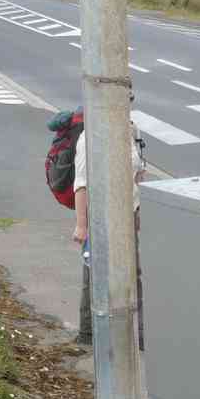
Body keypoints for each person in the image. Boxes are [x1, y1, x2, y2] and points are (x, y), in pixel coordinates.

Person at [72, 95, 147, 349]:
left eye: (127, 100)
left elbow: (138, 170)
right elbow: (81, 184)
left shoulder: (132, 128)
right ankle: (87, 335)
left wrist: (140, 208)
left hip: (129, 210)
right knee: (95, 273)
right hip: (101, 215)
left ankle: (139, 335)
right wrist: (82, 225)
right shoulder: (89, 137)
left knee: (135, 272)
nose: (122, 106)